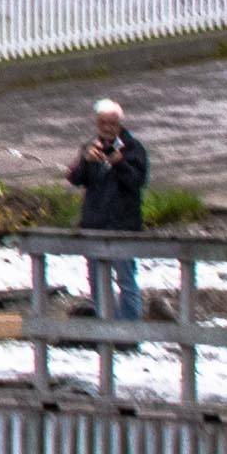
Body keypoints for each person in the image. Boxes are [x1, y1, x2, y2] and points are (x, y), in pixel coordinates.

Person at [72, 102, 153, 318]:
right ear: (97, 124)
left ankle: (130, 329)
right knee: (97, 280)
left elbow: (138, 181)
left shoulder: (133, 148)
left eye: (112, 123)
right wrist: (85, 161)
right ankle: (106, 325)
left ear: (119, 124)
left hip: (122, 225)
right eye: (103, 123)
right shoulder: (91, 147)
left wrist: (121, 163)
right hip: (94, 224)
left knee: (126, 279)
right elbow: (75, 178)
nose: (107, 128)